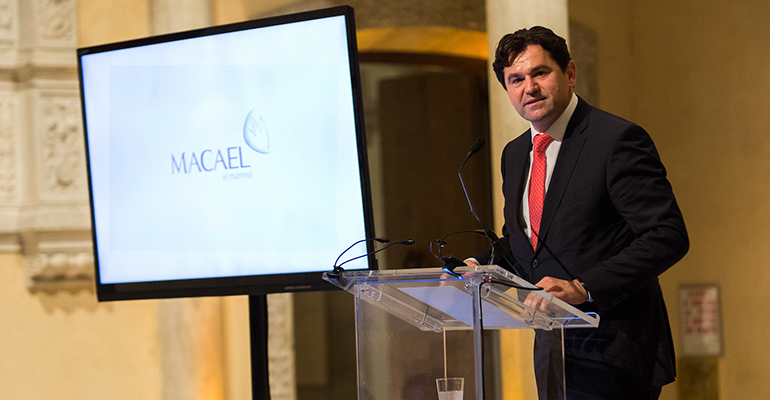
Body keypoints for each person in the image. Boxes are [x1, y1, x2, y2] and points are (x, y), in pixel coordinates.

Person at [467, 26, 689, 400]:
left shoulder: (614, 140)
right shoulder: (516, 153)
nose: (529, 88)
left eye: (540, 73)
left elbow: (667, 235)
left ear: (569, 73)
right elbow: (525, 244)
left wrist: (583, 286)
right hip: (553, 347)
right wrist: (479, 266)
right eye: (516, 80)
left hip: (616, 349)